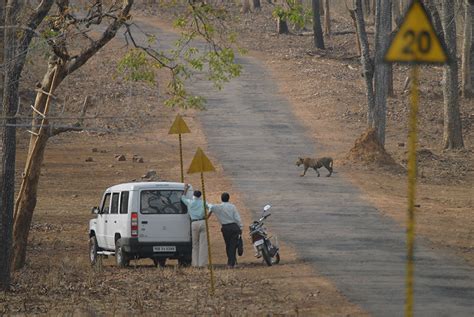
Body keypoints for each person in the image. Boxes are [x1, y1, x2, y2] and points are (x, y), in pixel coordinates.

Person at [209, 192, 243, 268]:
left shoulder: (218, 207)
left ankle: (231, 262)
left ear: (221, 199)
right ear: (229, 198)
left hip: (225, 228)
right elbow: (237, 218)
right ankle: (232, 262)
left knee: (228, 245)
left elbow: (210, 206)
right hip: (234, 227)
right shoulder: (232, 207)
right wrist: (240, 227)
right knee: (233, 245)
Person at [181, 184, 208, 268]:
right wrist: (208, 216)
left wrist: (185, 189)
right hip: (203, 221)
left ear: (193, 195)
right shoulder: (203, 202)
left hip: (194, 223)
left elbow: (182, 198)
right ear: (200, 196)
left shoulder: (190, 202)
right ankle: (202, 264)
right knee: (203, 244)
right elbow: (211, 207)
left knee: (195, 244)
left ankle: (195, 264)